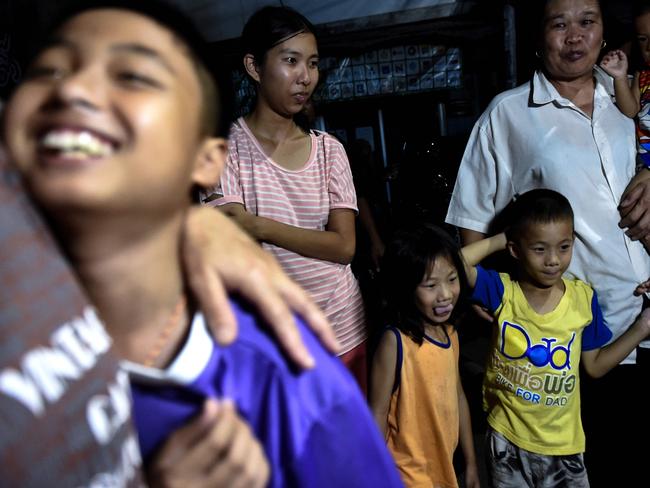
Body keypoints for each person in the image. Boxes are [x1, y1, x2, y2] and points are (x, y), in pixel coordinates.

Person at [1, 2, 404, 487]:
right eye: (54, 71)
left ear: (201, 159)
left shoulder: (273, 379)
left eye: (132, 79)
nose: (79, 96)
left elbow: (341, 245)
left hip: (335, 329)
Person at [444, 1, 650, 484]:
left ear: (604, 34)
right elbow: (473, 217)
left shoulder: (631, 100)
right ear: (538, 38)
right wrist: (493, 303)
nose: (574, 37)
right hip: (580, 341)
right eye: (559, 24)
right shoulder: (508, 115)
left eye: (587, 23)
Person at [204, 6, 369, 392]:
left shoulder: (329, 150)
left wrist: (259, 224)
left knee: (345, 449)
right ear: (254, 66)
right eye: (290, 61)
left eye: (312, 63)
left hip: (342, 327)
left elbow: (344, 246)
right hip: (274, 340)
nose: (305, 77)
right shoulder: (224, 151)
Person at [461, 189, 650, 487]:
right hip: (506, 440)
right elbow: (452, 265)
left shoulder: (583, 300)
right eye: (539, 249)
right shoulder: (502, 290)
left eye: (564, 247)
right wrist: (502, 238)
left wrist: (643, 326)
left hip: (563, 446)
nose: (553, 260)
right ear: (515, 250)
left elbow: (595, 366)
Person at [369, 224, 479, 488]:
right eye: (430, 285)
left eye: (452, 280)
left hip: (442, 466)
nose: (445, 295)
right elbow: (377, 412)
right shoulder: (395, 342)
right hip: (404, 473)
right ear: (406, 288)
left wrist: (472, 462)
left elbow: (459, 396)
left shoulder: (450, 334)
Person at [600, 2, 650, 167]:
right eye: (643, 39)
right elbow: (631, 110)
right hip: (644, 159)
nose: (649, 47)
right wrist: (620, 77)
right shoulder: (641, 74)